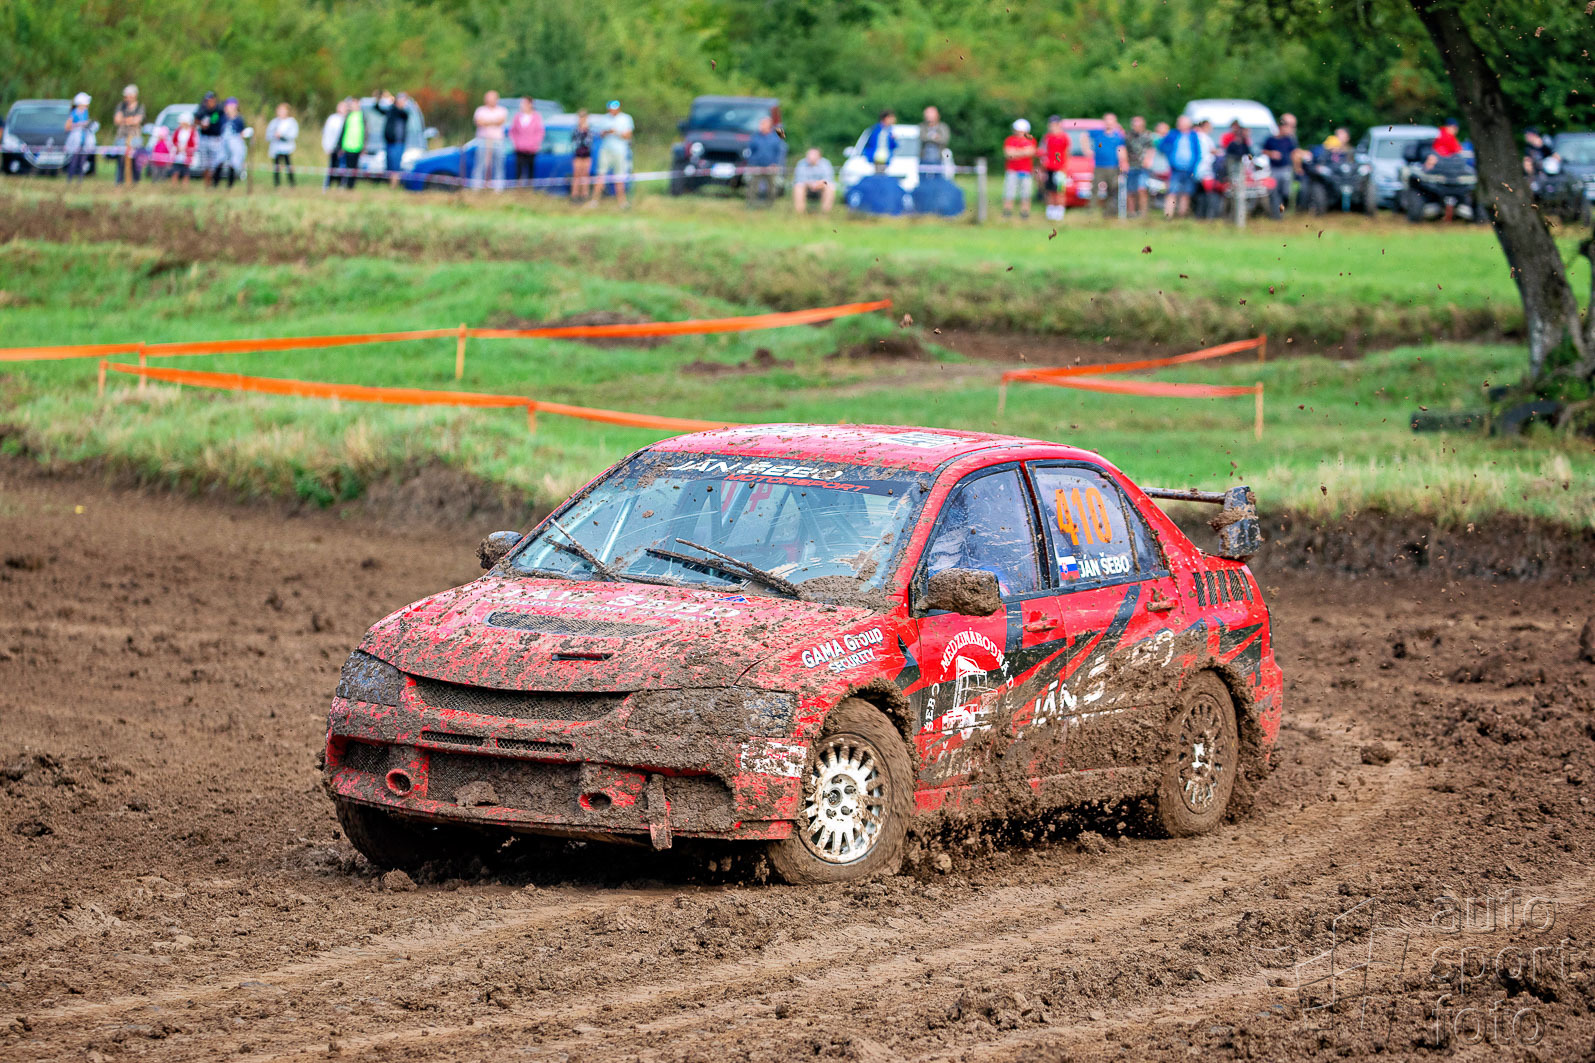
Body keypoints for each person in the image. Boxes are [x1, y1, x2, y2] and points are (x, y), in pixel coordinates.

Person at [591, 99, 633, 208]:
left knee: (619, 176)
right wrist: (606, 132)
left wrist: (616, 132)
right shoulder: (604, 118)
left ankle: (622, 202)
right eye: (610, 108)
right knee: (601, 175)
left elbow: (628, 135)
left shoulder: (626, 118)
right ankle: (595, 201)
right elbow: (599, 134)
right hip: (606, 150)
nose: (612, 110)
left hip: (620, 151)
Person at [1159, 115, 1202, 219]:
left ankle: (1182, 215)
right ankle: (1168, 215)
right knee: (1172, 191)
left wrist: (1194, 167)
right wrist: (1169, 154)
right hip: (1175, 169)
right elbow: (1162, 146)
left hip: (1189, 169)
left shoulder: (1193, 136)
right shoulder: (1173, 134)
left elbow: (1197, 152)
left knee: (1186, 193)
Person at [743, 113, 786, 207]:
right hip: (756, 166)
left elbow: (780, 152)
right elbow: (749, 151)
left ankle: (770, 205)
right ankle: (751, 205)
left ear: (769, 125)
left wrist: (776, 164)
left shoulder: (777, 136)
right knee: (752, 186)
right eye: (760, 124)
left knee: (772, 187)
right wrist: (751, 164)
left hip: (771, 166)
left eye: (763, 124)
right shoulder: (755, 136)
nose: (760, 126)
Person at [1261, 113, 1298, 216]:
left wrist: (1296, 167)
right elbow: (1263, 151)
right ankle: (1277, 214)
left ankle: (1284, 210)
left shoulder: (1289, 140)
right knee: (1274, 192)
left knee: (1286, 192)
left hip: (1286, 169)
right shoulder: (1270, 140)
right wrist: (1271, 154)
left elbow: (1294, 153)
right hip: (1274, 169)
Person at [472, 90, 508, 190]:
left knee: (499, 164)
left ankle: (498, 188)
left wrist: (486, 122)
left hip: (497, 141)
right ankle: (476, 187)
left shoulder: (502, 110)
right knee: (480, 164)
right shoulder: (480, 110)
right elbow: (479, 122)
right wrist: (494, 121)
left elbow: (500, 121)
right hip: (483, 140)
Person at [1094, 112, 1128, 217]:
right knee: (1095, 188)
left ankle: (1110, 212)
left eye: (1111, 120)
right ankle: (1092, 211)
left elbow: (1121, 150)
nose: (1109, 122)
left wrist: (1123, 163)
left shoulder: (1119, 136)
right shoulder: (1097, 133)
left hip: (1113, 166)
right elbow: (1084, 136)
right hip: (1099, 166)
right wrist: (1087, 150)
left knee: (1113, 189)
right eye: (1107, 120)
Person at [1001, 117, 1037, 220]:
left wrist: (1015, 152)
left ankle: (1024, 213)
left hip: (1026, 171)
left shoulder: (1031, 140)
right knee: (1009, 192)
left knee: (1026, 193)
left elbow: (1031, 152)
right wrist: (1023, 152)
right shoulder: (1010, 140)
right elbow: (1008, 154)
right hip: (1012, 171)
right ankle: (1007, 212)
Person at [508, 97, 545, 188]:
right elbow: (512, 131)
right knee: (519, 169)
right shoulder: (517, 117)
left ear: (530, 104)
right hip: (520, 148)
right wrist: (516, 143)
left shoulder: (536, 117)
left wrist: (535, 143)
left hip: (532, 148)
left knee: (531, 169)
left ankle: (529, 188)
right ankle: (519, 188)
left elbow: (540, 132)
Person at [1039, 115, 1070, 222]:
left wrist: (1064, 167)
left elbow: (1067, 153)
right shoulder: (1047, 137)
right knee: (1049, 190)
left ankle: (1059, 212)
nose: (1053, 127)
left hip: (1060, 168)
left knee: (1059, 191)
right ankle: (1050, 211)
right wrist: (1042, 167)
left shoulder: (1064, 137)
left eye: (1055, 124)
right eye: (1051, 124)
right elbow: (1042, 152)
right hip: (1048, 168)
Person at [376, 91, 410, 187]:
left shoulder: (403, 113)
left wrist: (391, 100)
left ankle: (393, 186)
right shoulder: (391, 110)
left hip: (397, 144)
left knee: (395, 166)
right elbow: (378, 109)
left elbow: (397, 110)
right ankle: (390, 185)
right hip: (389, 143)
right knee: (389, 166)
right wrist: (379, 99)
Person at [113, 84, 145, 185]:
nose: (127, 98)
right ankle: (119, 182)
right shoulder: (121, 106)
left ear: (134, 95)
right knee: (121, 159)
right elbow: (117, 120)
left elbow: (137, 121)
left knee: (135, 159)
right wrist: (130, 120)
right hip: (121, 136)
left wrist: (124, 120)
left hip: (135, 137)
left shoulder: (140, 107)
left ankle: (135, 182)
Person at [1125, 115, 1154, 217]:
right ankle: (1131, 212)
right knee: (1130, 190)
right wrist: (1124, 162)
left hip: (1143, 167)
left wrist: (1148, 160)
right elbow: (1123, 149)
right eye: (1135, 124)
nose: (1136, 126)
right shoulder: (1127, 136)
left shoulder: (1148, 136)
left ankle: (1143, 212)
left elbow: (1151, 149)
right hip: (1131, 166)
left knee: (1142, 189)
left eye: (1138, 124)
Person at [791, 147, 835, 213]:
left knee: (830, 187)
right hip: (806, 187)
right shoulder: (801, 163)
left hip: (821, 187)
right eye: (809, 155)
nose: (810, 157)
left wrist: (817, 184)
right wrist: (810, 184)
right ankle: (800, 213)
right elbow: (799, 180)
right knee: (798, 187)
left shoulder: (826, 164)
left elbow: (828, 180)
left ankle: (825, 213)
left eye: (813, 155)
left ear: (819, 156)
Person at [216, 97, 248, 188]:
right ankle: (216, 183)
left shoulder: (239, 119)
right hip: (223, 142)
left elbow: (242, 131)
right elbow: (215, 124)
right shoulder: (222, 118)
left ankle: (230, 184)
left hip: (235, 142)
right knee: (220, 160)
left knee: (233, 162)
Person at [195, 91, 224, 184]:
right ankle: (206, 183)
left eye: (211, 100)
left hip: (216, 139)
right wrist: (201, 125)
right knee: (204, 163)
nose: (209, 102)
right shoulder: (202, 109)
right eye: (207, 100)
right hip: (204, 138)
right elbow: (195, 120)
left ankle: (212, 182)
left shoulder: (219, 109)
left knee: (214, 163)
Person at [64, 93, 94, 182]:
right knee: (74, 159)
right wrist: (79, 125)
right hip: (76, 139)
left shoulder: (85, 112)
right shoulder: (74, 113)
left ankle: (80, 179)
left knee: (82, 160)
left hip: (84, 139)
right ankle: (70, 178)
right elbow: (67, 127)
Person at [267, 103, 298, 187]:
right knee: (276, 166)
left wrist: (283, 136)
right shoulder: (274, 122)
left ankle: (292, 183)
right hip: (276, 148)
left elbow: (293, 134)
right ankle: (277, 183)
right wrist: (274, 135)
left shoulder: (291, 122)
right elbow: (268, 134)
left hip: (287, 148)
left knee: (288, 166)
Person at [339, 96, 365, 189]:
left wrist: (364, 146)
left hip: (357, 146)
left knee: (354, 168)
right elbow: (343, 131)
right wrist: (340, 145)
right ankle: (343, 184)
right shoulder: (348, 116)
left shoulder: (362, 116)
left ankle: (351, 185)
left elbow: (365, 132)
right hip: (347, 146)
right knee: (345, 167)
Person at [569, 108, 595, 200]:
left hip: (586, 156)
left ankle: (585, 194)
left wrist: (585, 130)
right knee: (576, 175)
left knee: (585, 175)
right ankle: (575, 194)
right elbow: (575, 143)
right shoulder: (576, 130)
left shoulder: (589, 130)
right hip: (578, 155)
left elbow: (588, 143)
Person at [321, 99, 346, 190]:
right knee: (332, 167)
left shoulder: (347, 118)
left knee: (342, 168)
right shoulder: (332, 119)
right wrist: (327, 146)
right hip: (333, 147)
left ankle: (341, 185)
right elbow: (327, 133)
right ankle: (327, 185)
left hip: (344, 148)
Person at [919, 105, 950, 175]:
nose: (929, 116)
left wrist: (929, 138)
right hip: (923, 158)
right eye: (927, 114)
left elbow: (945, 140)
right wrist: (934, 137)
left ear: (937, 115)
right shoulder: (921, 126)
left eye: (931, 114)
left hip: (939, 158)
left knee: (939, 177)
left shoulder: (943, 127)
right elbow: (921, 138)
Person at [171, 111, 199, 185]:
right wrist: (177, 147)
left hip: (187, 156)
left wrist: (186, 149)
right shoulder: (178, 131)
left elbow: (195, 144)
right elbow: (173, 141)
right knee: (175, 171)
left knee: (186, 172)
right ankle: (174, 186)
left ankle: (184, 187)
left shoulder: (193, 132)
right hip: (178, 155)